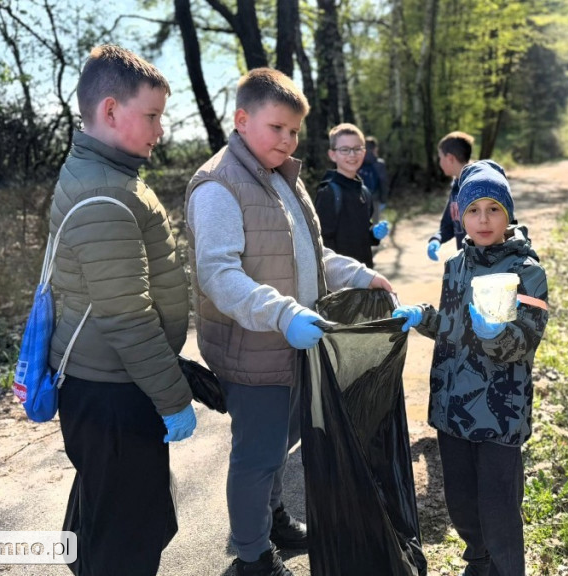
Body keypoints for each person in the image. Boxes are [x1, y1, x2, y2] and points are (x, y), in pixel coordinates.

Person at [184, 68, 394, 576]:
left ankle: (273, 520)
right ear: (241, 120)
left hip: (294, 343)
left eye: (295, 131)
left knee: (279, 446)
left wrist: (360, 274)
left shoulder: (281, 178)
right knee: (256, 457)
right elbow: (218, 274)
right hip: (253, 349)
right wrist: (283, 313)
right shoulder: (219, 186)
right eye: (276, 127)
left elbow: (311, 254)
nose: (287, 139)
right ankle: (252, 557)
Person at [48, 45, 196, 576]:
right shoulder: (105, 193)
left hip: (114, 386)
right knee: (125, 547)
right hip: (112, 396)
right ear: (110, 111)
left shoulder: (108, 174)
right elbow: (126, 316)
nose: (160, 129)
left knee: (114, 524)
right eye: (152, 115)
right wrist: (173, 397)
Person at [392, 160, 549, 576]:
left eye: (493, 209)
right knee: (461, 502)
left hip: (500, 413)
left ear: (508, 215)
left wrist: (498, 333)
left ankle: (505, 568)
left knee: (499, 508)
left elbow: (526, 341)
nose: (483, 219)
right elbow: (451, 328)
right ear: (459, 215)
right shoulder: (455, 267)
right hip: (452, 408)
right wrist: (423, 316)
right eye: (473, 209)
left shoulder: (527, 273)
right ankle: (478, 561)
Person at [315, 123, 390, 268]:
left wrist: (374, 234)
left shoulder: (364, 191)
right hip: (340, 281)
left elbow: (361, 234)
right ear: (332, 154)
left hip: (365, 275)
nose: (352, 155)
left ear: (364, 152)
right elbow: (321, 244)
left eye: (357, 149)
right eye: (344, 150)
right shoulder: (328, 192)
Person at [426, 131, 475, 262]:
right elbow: (448, 224)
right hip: (466, 264)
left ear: (450, 158)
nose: (439, 162)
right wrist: (437, 239)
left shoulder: (478, 187)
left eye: (440, 157)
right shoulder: (456, 187)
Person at [359, 135, 390, 219]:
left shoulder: (357, 162)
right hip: (374, 199)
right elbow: (383, 183)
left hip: (359, 200)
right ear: (375, 148)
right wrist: (383, 200)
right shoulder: (379, 164)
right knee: (375, 226)